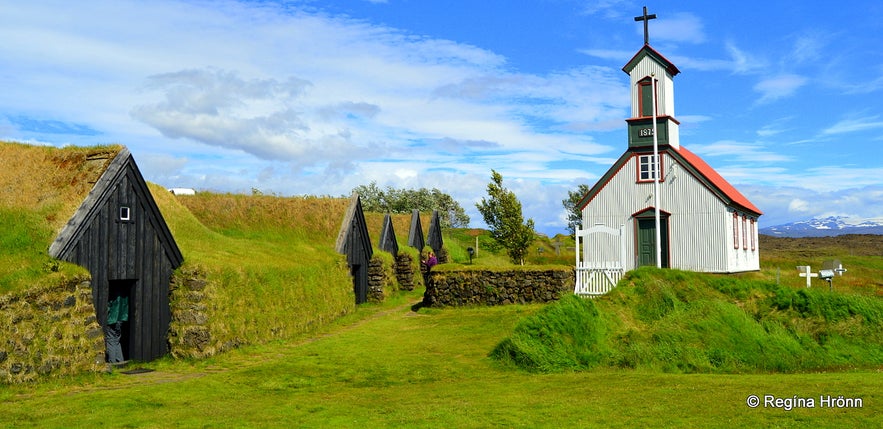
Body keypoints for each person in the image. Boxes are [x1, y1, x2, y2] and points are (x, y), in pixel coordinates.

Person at [105, 290, 129, 364]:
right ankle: (120, 361)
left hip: (112, 319)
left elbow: (109, 306)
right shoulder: (124, 295)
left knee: (110, 341)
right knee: (116, 341)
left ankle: (113, 363)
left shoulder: (114, 294)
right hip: (121, 319)